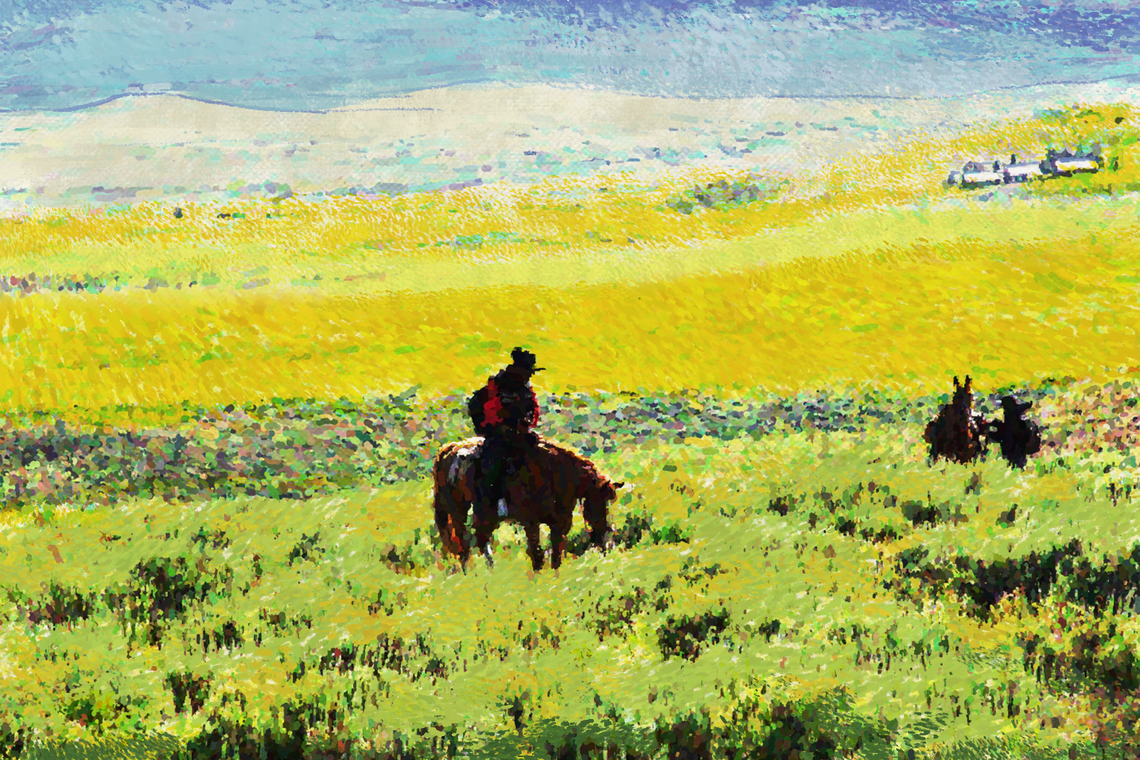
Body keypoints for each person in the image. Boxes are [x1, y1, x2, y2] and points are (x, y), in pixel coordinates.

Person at [467, 348, 544, 524]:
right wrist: (502, 426)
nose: (529, 376)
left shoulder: (525, 389)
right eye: (528, 372)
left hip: (520, 432)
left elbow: (534, 410)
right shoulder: (497, 385)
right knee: (493, 462)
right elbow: (491, 409)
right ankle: (488, 505)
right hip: (497, 432)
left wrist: (527, 424)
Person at [986, 395, 1041, 469]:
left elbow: (1002, 433)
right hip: (1018, 444)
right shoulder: (1016, 413)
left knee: (1013, 463)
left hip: (1012, 445)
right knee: (1018, 463)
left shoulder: (1009, 417)